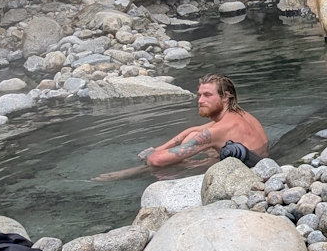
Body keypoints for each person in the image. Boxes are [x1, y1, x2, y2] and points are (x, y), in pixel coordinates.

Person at [93, 74, 269, 181]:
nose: (200, 101)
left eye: (207, 95)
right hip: (259, 161)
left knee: (166, 165)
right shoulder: (239, 114)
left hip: (246, 172)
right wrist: (160, 148)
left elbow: (156, 160)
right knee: (192, 134)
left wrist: (152, 157)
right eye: (199, 95)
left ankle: (129, 174)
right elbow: (192, 130)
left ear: (226, 97)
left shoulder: (218, 131)